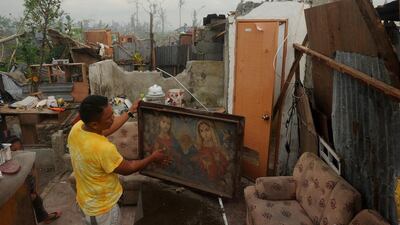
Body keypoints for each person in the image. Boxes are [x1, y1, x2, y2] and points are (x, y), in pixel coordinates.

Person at [68, 95, 165, 225]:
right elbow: (128, 168)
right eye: (109, 118)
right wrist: (152, 157)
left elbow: (106, 129)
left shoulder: (77, 129)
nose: (113, 118)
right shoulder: (103, 148)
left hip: (87, 201)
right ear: (95, 124)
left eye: (112, 113)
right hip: (103, 211)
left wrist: (129, 112)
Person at [6, 136, 62, 224]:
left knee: (37, 201)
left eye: (20, 149)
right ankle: (45, 217)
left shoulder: (27, 158)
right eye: (14, 150)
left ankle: (45, 217)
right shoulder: (7, 164)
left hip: (29, 188)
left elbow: (35, 173)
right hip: (17, 192)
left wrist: (35, 190)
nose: (18, 152)